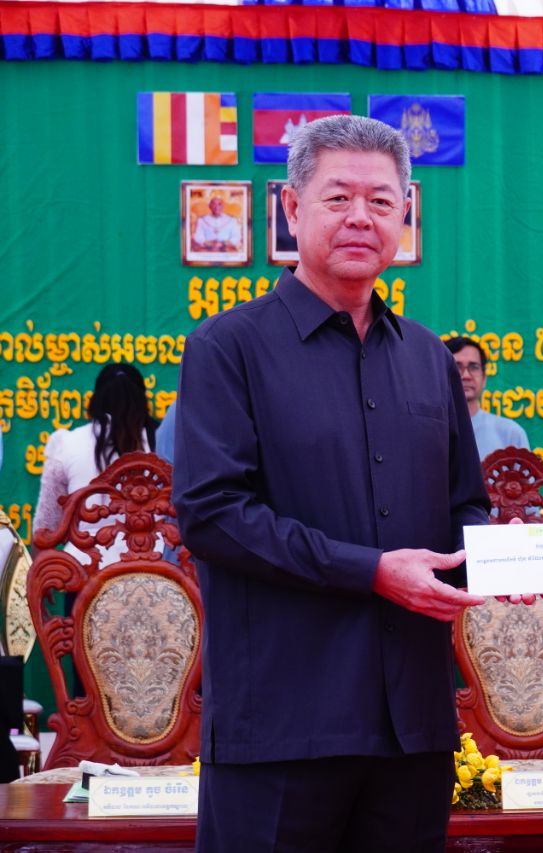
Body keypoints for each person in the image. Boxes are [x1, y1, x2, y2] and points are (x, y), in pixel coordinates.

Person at [173, 114, 490, 853]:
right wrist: (371, 571)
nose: (360, 217)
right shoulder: (228, 346)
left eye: (381, 201)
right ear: (291, 207)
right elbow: (213, 514)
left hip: (412, 727)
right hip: (282, 726)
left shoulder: (428, 359)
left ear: (404, 215)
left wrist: (514, 565)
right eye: (338, 197)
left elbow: (465, 506)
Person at [33, 362, 158, 548]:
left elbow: (45, 528)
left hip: (82, 561)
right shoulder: (166, 440)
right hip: (158, 560)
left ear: (95, 401)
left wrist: (38, 565)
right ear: (142, 400)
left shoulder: (66, 443)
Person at [444, 335, 529, 460]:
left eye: (474, 367)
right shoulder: (428, 432)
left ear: (484, 378)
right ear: (442, 375)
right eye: (457, 367)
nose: (466, 375)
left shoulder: (510, 433)